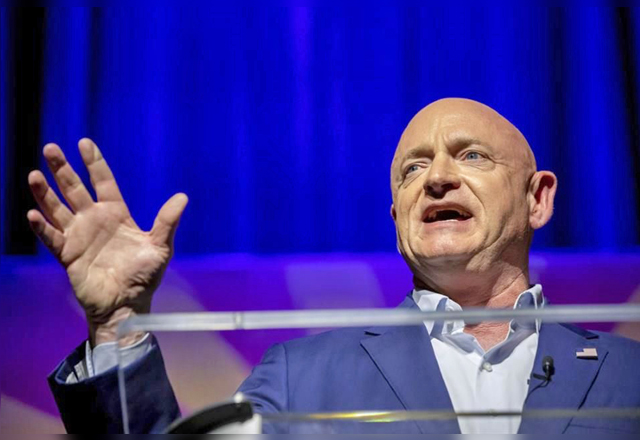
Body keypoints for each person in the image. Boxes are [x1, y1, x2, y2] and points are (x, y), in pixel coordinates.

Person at [28, 98, 640, 434]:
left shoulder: (629, 374)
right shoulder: (299, 377)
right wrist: (118, 323)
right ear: (397, 216)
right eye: (413, 169)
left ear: (538, 199)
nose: (438, 178)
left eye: (472, 156)